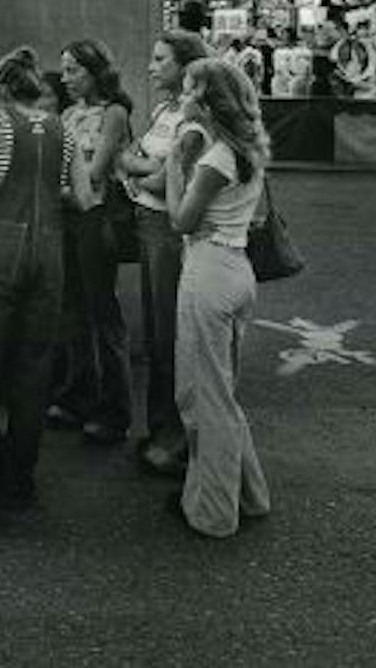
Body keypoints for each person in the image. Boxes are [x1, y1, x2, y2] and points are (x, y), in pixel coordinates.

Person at [0, 47, 82, 524]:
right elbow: (83, 196)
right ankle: (19, 484)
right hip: (48, 253)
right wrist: (48, 187)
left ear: (2, 89)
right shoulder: (63, 128)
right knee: (32, 372)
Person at [166, 57, 272, 538]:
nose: (182, 97)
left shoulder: (212, 160)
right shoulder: (243, 149)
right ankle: (247, 494)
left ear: (206, 101)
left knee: (202, 395)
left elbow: (181, 220)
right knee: (220, 390)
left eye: (189, 90)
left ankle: (212, 511)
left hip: (207, 270)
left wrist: (172, 169)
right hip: (237, 268)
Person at [116, 29, 210, 478]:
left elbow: (157, 177)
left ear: (185, 67)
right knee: (156, 332)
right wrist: (142, 170)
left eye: (160, 60)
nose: (151, 67)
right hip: (149, 225)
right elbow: (128, 156)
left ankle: (174, 436)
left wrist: (140, 173)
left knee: (170, 333)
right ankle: (158, 428)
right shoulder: (160, 111)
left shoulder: (193, 120)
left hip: (169, 232)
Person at [46, 39, 133, 447]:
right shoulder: (66, 114)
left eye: (73, 71)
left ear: (95, 72)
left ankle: (114, 409)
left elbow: (95, 174)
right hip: (68, 216)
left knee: (102, 310)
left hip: (96, 216)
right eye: (64, 71)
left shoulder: (114, 114)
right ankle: (77, 394)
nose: (66, 79)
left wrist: (49, 185)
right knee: (70, 309)